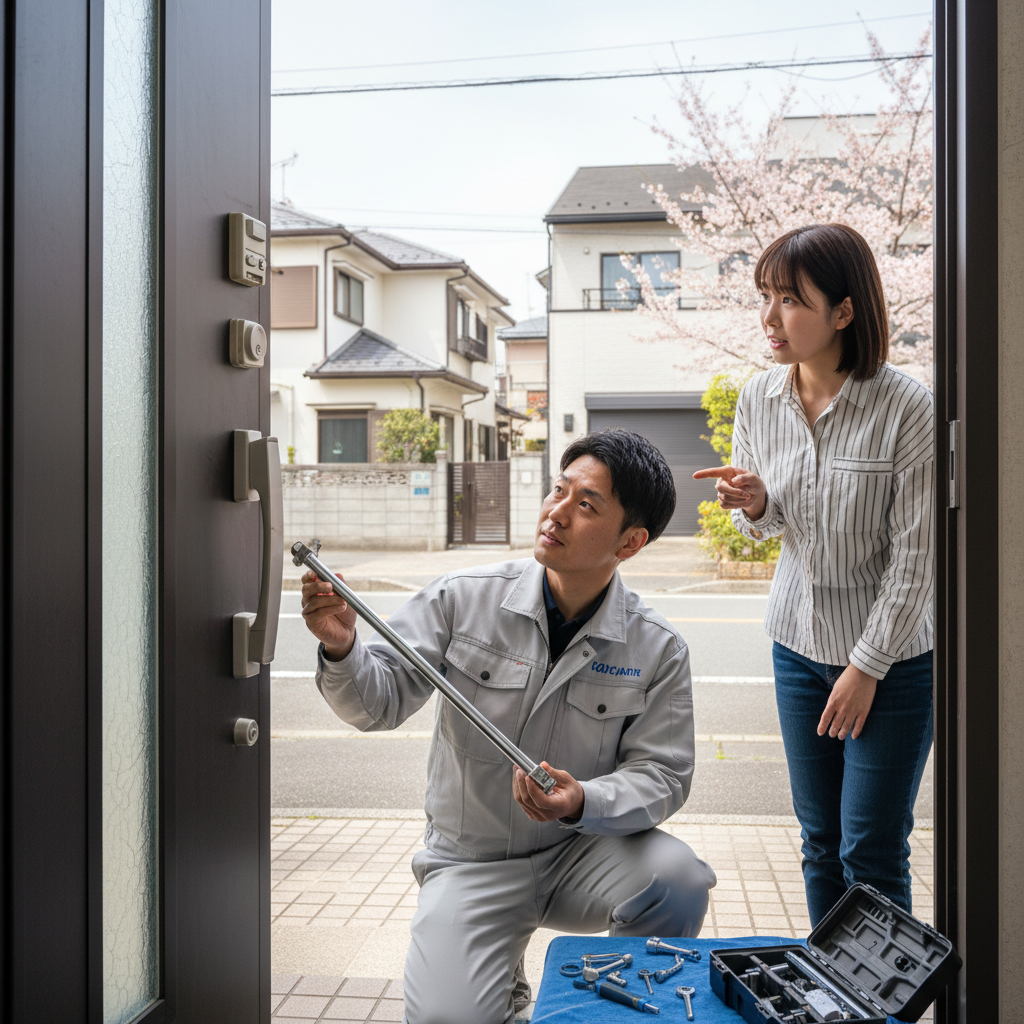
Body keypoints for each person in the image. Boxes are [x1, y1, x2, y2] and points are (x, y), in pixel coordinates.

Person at [301, 429, 716, 1024]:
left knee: (680, 878)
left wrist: (584, 801)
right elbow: (379, 703)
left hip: (582, 852)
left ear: (631, 542)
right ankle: (502, 986)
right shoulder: (461, 599)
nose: (556, 512)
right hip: (472, 864)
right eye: (558, 491)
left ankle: (617, 1005)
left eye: (586, 504)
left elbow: (664, 774)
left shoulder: (658, 646)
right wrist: (344, 650)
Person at [694, 223, 933, 927]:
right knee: (820, 844)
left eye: (791, 299)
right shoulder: (757, 399)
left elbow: (916, 557)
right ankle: (827, 997)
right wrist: (758, 504)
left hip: (892, 664)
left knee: (872, 849)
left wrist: (865, 667)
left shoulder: (905, 406)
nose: (770, 317)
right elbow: (765, 527)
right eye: (766, 297)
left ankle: (880, 1003)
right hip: (797, 646)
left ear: (845, 311)